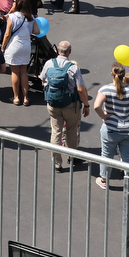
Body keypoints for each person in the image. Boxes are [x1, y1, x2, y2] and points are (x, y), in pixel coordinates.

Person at [89, 65, 129, 188]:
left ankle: (104, 180)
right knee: (128, 156)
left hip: (111, 129)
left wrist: (104, 116)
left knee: (107, 155)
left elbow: (96, 106)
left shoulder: (105, 89)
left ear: (112, 74)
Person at [40, 41, 89, 169]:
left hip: (53, 104)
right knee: (72, 131)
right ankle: (72, 157)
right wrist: (86, 105)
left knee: (56, 132)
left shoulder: (49, 63)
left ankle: (57, 163)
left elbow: (42, 80)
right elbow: (80, 89)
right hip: (71, 105)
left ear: (57, 51)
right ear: (69, 52)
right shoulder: (73, 67)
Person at [0, 0, 35, 106]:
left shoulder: (12, 17)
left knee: (14, 72)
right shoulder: (30, 17)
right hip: (26, 46)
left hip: (14, 46)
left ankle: (16, 97)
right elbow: (37, 31)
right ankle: (25, 98)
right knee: (24, 72)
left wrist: (3, 46)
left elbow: (7, 34)